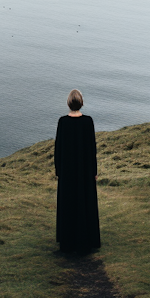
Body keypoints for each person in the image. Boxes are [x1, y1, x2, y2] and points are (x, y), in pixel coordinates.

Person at [54, 89, 101, 253]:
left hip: (67, 171)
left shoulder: (62, 122)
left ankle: (68, 240)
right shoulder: (88, 121)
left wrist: (58, 169)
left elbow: (58, 148)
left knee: (68, 204)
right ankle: (87, 239)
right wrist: (94, 171)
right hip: (84, 170)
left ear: (68, 103)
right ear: (81, 103)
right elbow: (91, 148)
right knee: (84, 202)